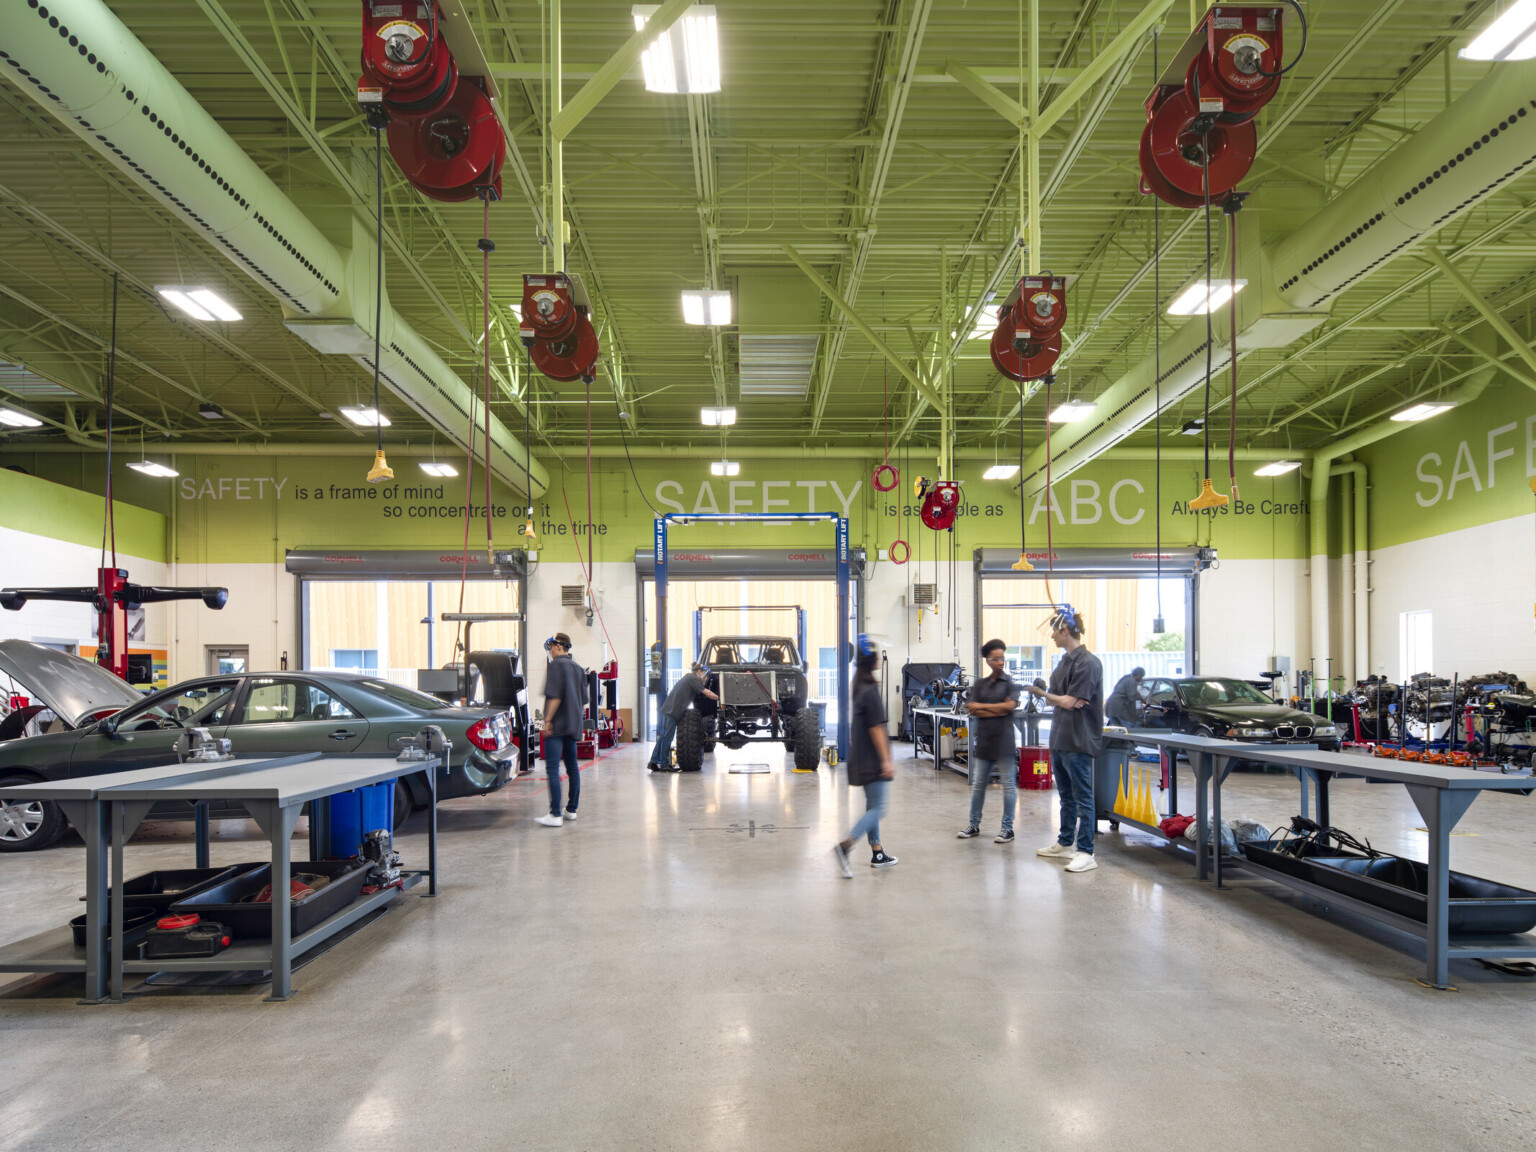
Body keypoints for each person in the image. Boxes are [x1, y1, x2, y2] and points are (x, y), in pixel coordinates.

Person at [1027, 605, 1104, 873]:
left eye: (1054, 632)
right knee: (1065, 796)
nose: (1051, 637)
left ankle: (1086, 851)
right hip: (1060, 737)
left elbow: (1071, 701)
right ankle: (1064, 843)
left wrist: (1042, 693)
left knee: (1083, 796)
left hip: (1078, 740)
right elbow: (1059, 697)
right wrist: (1045, 693)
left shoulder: (1089, 663)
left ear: (1065, 630)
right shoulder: (1063, 663)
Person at [833, 635, 897, 877]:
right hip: (873, 758)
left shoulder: (858, 685)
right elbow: (877, 728)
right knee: (879, 809)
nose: (880, 659)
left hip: (859, 757)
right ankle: (846, 845)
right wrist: (886, 760)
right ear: (872, 660)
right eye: (877, 656)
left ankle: (877, 853)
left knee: (872, 806)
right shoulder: (870, 690)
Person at [958, 638, 1022, 843]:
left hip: (1004, 742)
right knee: (978, 786)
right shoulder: (980, 684)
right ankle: (974, 824)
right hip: (985, 741)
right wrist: (997, 708)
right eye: (995, 659)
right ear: (987, 660)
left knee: (1009, 786)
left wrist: (985, 707)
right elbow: (971, 708)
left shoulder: (1009, 683)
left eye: (1002, 658)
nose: (1000, 662)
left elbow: (1009, 706)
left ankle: (1007, 828)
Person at [536, 633, 587, 828]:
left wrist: (547, 720)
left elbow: (555, 696)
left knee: (552, 768)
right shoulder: (578, 668)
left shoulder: (556, 665)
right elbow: (583, 700)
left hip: (558, 726)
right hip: (573, 725)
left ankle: (555, 813)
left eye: (551, 647)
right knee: (573, 768)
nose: (550, 651)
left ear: (558, 647)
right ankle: (571, 810)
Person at [648, 661, 718, 772]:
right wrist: (720, 698)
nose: (705, 679)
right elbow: (707, 693)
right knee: (667, 737)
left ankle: (653, 762)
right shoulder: (693, 679)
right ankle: (664, 765)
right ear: (699, 671)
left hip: (669, 709)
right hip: (673, 711)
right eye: (705, 675)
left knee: (663, 737)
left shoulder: (688, 678)